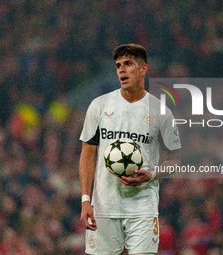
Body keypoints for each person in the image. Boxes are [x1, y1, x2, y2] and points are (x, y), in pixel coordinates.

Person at [79, 43, 181, 255]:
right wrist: (85, 200)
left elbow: (174, 161)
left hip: (142, 206)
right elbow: (88, 154)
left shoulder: (161, 112)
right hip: (104, 206)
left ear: (143, 69)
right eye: (118, 66)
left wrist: (150, 174)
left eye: (128, 64)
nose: (122, 70)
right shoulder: (99, 106)